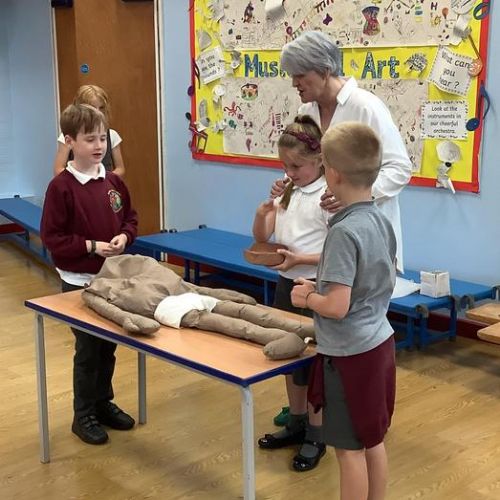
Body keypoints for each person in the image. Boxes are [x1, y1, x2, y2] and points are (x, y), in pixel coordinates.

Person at [268, 29, 411, 445]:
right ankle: (306, 418)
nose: (295, 84)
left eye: (300, 75)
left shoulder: (365, 106)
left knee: (343, 332)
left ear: (324, 69)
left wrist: (357, 193)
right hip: (323, 238)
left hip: (359, 232)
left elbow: (399, 169)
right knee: (307, 334)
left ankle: (334, 424)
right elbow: (307, 161)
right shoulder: (308, 109)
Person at [291, 121, 396, 500]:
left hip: (350, 355)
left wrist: (308, 298)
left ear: (332, 174)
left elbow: (336, 306)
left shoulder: (342, 231)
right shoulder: (380, 219)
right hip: (379, 342)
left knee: (348, 451)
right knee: (373, 440)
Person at [41, 103, 138, 445]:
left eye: (102, 139)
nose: (98, 146)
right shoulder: (61, 187)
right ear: (70, 141)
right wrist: (91, 247)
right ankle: (82, 415)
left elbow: (130, 218)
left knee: (107, 346)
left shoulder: (112, 181)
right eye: (89, 139)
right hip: (78, 281)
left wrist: (124, 236)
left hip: (110, 278)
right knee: (87, 349)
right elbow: (53, 238)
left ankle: (102, 403)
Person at [253, 115, 330, 471]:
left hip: (315, 285)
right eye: (285, 165)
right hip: (287, 283)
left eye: (296, 166)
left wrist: (300, 259)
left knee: (314, 361)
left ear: (319, 160)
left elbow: (337, 251)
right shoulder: (289, 189)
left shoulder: (328, 197)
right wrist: (263, 212)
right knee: (289, 353)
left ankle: (317, 432)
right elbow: (263, 236)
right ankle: (297, 421)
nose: (289, 172)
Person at [53, 85, 126, 178]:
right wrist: (81, 179)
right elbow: (58, 169)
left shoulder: (112, 135)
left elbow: (120, 169)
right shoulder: (69, 136)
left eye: (101, 108)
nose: (97, 112)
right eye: (92, 107)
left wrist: (101, 179)